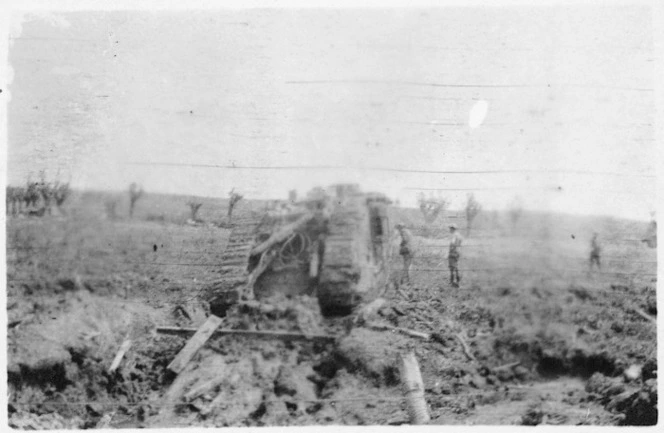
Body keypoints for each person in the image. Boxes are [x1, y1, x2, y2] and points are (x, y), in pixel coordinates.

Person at [448, 223, 463, 287]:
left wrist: (451, 249)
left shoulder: (454, 235)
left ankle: (452, 282)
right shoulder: (459, 235)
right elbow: (460, 243)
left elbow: (453, 243)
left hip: (453, 252)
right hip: (458, 252)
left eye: (450, 228)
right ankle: (457, 281)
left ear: (453, 229)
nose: (449, 230)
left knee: (452, 267)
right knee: (456, 267)